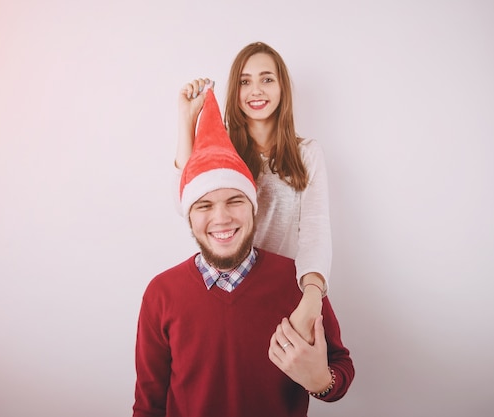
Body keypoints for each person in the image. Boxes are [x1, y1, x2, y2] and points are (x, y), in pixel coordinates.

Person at [134, 88, 354, 417]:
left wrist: (321, 380)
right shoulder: (161, 294)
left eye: (235, 201)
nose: (221, 217)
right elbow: (148, 405)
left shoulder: (295, 283)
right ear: (189, 217)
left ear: (254, 210)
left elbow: (340, 369)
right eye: (204, 205)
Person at [175, 42, 332, 344]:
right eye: (245, 82)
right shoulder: (223, 149)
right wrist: (186, 121)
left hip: (282, 291)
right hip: (226, 286)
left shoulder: (307, 154)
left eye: (267, 79)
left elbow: (315, 230)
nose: (256, 90)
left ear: (282, 88)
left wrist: (313, 293)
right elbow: (183, 202)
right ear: (234, 91)